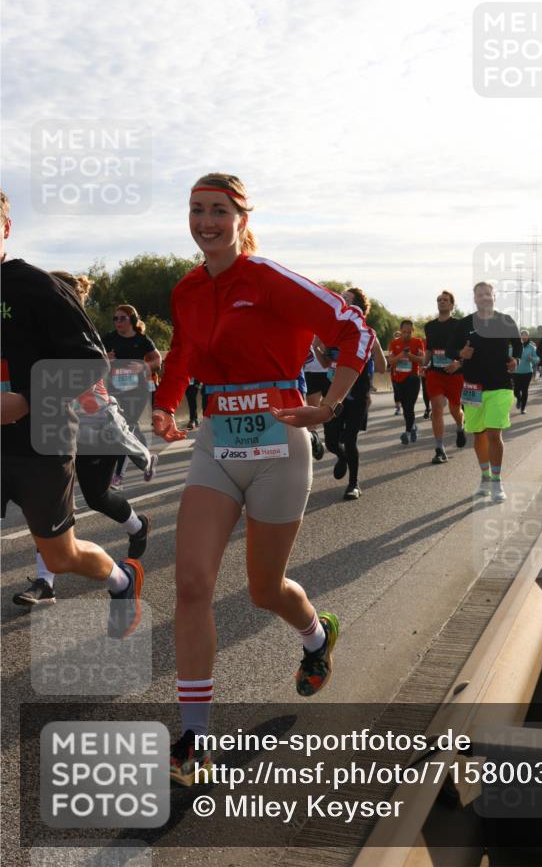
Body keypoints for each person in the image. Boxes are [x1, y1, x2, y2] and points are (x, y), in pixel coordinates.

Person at [151, 173, 375, 785]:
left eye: (218, 211)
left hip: (280, 445)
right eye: (196, 210)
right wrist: (166, 404)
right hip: (217, 446)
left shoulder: (268, 278)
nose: (206, 222)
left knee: (264, 589)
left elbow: (354, 329)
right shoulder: (186, 290)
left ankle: (316, 635)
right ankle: (196, 738)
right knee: (192, 584)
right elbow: (182, 355)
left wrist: (329, 404)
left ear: (242, 219)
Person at [0, 192, 143, 636]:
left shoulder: (37, 287)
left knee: (60, 556)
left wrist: (25, 399)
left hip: (39, 442)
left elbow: (91, 364)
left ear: (6, 228)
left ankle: (122, 580)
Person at [14, 271, 152, 607]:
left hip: (96, 429)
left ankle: (137, 526)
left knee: (97, 497)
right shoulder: (38, 334)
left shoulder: (81, 336)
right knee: (47, 506)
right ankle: (45, 583)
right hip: (58, 432)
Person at [447, 282, 521, 502]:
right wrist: (460, 353)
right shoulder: (464, 323)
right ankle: (485, 477)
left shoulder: (506, 321)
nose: (484, 297)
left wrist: (515, 360)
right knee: (478, 434)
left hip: (500, 385)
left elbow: (518, 345)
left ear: (494, 296)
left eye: (488, 294)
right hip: (473, 387)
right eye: (480, 295)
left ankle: (497, 482)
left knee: (493, 433)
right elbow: (450, 349)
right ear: (475, 298)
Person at [317, 287, 386, 500]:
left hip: (357, 396)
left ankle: (353, 484)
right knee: (331, 441)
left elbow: (382, 367)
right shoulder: (333, 334)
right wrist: (316, 346)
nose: (341, 301)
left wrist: (373, 351)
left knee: (349, 438)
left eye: (346, 299)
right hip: (333, 395)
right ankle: (342, 457)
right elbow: (325, 363)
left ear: (358, 307)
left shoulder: (366, 334)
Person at [102, 306, 161, 487]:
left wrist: (143, 366)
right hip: (115, 391)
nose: (118, 322)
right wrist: (105, 358)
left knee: (125, 427)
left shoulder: (142, 340)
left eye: (122, 318)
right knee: (126, 428)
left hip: (137, 391)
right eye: (115, 319)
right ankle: (147, 458)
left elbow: (157, 360)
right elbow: (92, 358)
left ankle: (118, 476)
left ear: (133, 320)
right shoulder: (109, 338)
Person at [422, 291, 466, 463]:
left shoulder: (459, 325)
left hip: (455, 374)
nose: (441, 302)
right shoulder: (429, 326)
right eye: (439, 300)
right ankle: (439, 449)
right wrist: (424, 365)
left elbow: (468, 349)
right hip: (435, 373)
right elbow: (429, 349)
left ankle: (460, 426)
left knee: (455, 409)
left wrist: (458, 363)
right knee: (437, 408)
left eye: (445, 300)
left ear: (452, 305)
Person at [387, 320, 425, 445]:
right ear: (400, 331)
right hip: (399, 379)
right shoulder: (394, 343)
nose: (407, 334)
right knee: (406, 407)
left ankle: (407, 433)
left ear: (412, 331)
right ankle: (412, 427)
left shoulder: (417, 342)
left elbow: (422, 360)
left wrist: (410, 356)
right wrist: (401, 355)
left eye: (409, 332)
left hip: (413, 378)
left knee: (409, 405)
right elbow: (391, 361)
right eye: (404, 332)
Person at [302, 339, 328, 460]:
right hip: (311, 372)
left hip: (330, 371)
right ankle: (315, 442)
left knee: (331, 408)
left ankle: (333, 437)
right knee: (312, 410)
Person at [512, 330, 539, 414]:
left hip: (527, 372)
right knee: (516, 390)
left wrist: (532, 359)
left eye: (526, 335)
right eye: (522, 335)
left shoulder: (531, 347)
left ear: (528, 336)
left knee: (524, 390)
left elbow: (537, 359)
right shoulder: (515, 346)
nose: (524, 337)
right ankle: (519, 399)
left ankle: (523, 408)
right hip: (516, 372)